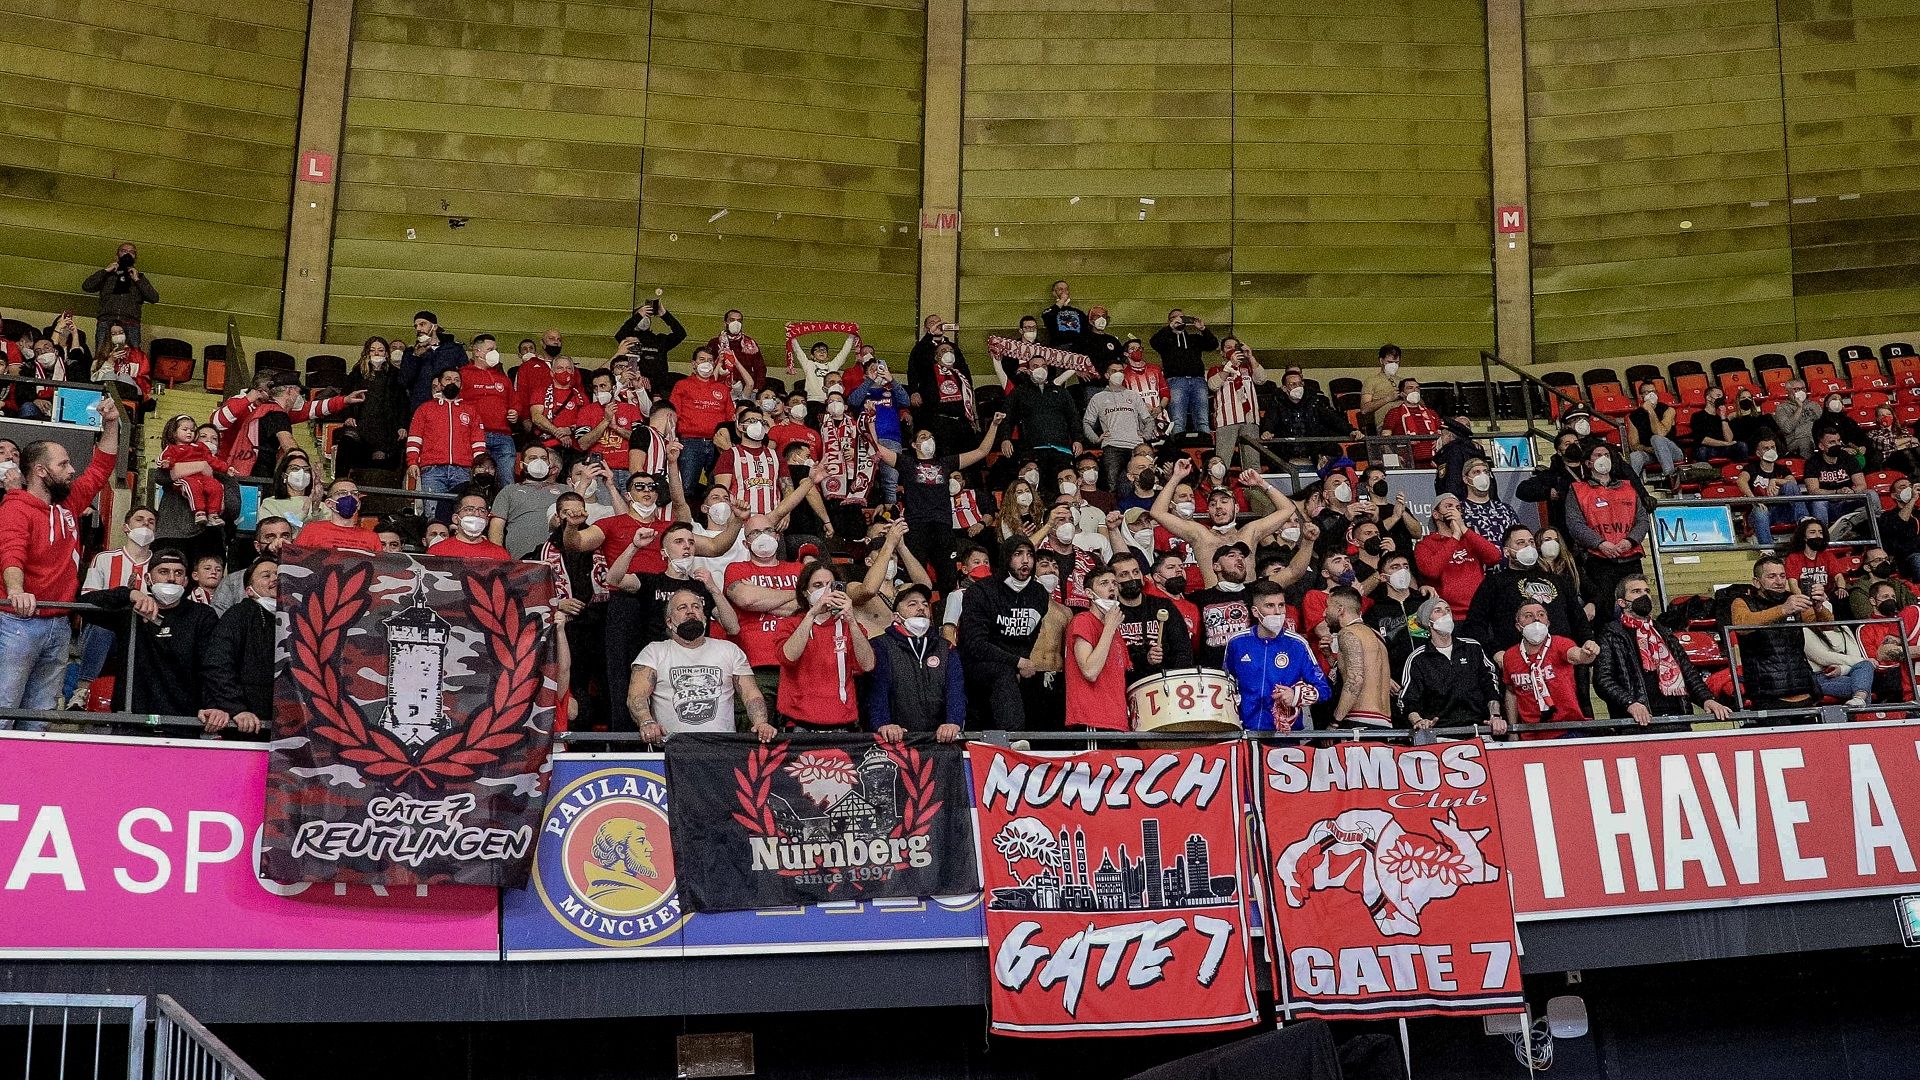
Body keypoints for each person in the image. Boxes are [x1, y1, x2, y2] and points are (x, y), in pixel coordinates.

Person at [0, 395, 121, 729]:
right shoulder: (16, 507)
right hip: (17, 622)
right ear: (41, 471)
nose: (72, 470)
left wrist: (111, 423)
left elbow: (101, 467)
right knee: (4, 709)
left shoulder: (69, 502)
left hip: (59, 623)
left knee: (40, 717)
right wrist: (16, 590)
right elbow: (11, 552)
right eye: (63, 464)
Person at [79, 550, 218, 718]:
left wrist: (212, 705)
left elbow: (211, 666)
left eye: (178, 573)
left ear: (186, 581)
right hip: (132, 719)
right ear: (147, 579)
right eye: (163, 572)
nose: (171, 578)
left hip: (183, 720)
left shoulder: (203, 615)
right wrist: (129, 594)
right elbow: (83, 604)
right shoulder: (130, 612)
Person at [876, 416, 1003, 593]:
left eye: (931, 437)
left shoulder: (946, 463)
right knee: (916, 580)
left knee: (948, 579)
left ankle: (946, 610)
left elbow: (982, 451)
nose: (929, 439)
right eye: (923, 437)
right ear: (914, 445)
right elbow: (878, 449)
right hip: (916, 527)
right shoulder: (907, 463)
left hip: (943, 527)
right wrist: (869, 422)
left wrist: (994, 425)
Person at [630, 586, 767, 741]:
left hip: (721, 747)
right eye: (682, 607)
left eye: (696, 607)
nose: (690, 611)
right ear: (669, 622)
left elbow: (750, 694)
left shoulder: (729, 650)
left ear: (704, 617)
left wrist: (760, 723)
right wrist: (647, 722)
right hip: (673, 748)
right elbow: (637, 697)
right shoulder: (654, 652)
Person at [958, 536, 1050, 731]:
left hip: (1015, 664)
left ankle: (1044, 744)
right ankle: (1014, 737)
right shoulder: (980, 591)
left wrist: (1020, 664)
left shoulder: (1039, 594)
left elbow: (1030, 636)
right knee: (1003, 672)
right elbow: (975, 644)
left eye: (1030, 555)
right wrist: (1016, 662)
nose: (1025, 560)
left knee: (1044, 680)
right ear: (1006, 558)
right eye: (1018, 554)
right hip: (976, 664)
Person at [776, 562, 875, 730]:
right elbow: (788, 658)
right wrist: (812, 613)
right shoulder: (790, 624)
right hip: (799, 723)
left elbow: (868, 665)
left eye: (830, 585)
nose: (825, 591)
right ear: (805, 592)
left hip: (842, 722)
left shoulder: (850, 626)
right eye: (818, 585)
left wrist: (851, 620)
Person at [1465, 525, 1592, 654]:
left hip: (1561, 657)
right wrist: (1495, 652)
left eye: (1531, 542)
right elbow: (1474, 624)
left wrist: (1588, 641)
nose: (1528, 547)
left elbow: (1578, 618)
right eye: (1521, 543)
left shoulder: (1556, 580)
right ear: (1507, 551)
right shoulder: (1495, 582)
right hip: (1517, 659)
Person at [1223, 581, 1331, 731]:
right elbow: (1226, 685)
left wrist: (1296, 695)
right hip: (1245, 731)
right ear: (1255, 612)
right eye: (1270, 606)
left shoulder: (1298, 644)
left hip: (1285, 734)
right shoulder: (1237, 642)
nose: (1278, 612)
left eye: (1281, 605)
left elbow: (1324, 690)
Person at [867, 583, 965, 743]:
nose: (921, 608)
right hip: (896, 740)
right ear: (896, 616)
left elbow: (955, 690)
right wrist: (883, 724)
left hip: (939, 740)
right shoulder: (881, 646)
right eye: (912, 604)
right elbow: (878, 691)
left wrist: (954, 722)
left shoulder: (946, 648)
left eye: (925, 604)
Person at [1566, 442, 1647, 624]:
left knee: (1637, 608)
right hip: (1598, 560)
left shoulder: (1628, 487)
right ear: (1588, 463)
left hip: (1630, 558)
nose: (1603, 458)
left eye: (1607, 455)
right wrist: (1601, 544)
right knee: (1604, 612)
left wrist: (1630, 541)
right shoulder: (1577, 490)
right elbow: (1575, 524)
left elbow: (1642, 519)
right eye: (1598, 455)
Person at [1730, 556, 1822, 712]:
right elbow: (1742, 625)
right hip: (1767, 694)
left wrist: (1819, 607)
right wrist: (1783, 610)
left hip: (1803, 689)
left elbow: (1825, 626)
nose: (1779, 581)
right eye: (1772, 576)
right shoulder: (1743, 602)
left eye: (1782, 576)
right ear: (1756, 582)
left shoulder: (1792, 599)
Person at [200, 555, 278, 739]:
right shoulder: (238, 615)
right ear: (249, 590)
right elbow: (217, 664)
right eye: (266, 576)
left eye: (278, 574)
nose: (275, 579)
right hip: (247, 724)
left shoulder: (298, 618)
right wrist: (237, 708)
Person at [1399, 597, 1504, 733]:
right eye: (1438, 610)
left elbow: (1490, 684)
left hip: (1478, 729)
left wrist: (1495, 716)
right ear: (1427, 621)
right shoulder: (1418, 658)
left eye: (1448, 610)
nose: (1445, 614)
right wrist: (1418, 721)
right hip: (1439, 734)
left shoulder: (1473, 647)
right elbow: (1408, 698)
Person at [1501, 602, 1598, 737]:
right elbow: (1511, 692)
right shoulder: (1510, 656)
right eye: (1528, 616)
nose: (1536, 619)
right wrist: (1513, 731)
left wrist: (1588, 652)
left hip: (1566, 729)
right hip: (1531, 734)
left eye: (1541, 614)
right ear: (1518, 626)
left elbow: (1578, 656)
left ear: (1548, 623)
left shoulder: (1560, 643)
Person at [406, 367, 486, 523]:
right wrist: (412, 462)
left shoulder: (471, 411)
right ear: (439, 384)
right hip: (432, 470)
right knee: (433, 515)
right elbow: (415, 438)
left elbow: (478, 441)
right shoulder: (425, 409)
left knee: (462, 515)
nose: (452, 383)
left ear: (461, 385)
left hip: (462, 471)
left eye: (456, 380)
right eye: (448, 379)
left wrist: (478, 465)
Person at [1414, 494, 1501, 622]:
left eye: (1458, 508)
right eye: (1449, 506)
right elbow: (1431, 571)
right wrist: (1455, 538)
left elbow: (1495, 557)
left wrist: (1463, 529)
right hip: (1449, 616)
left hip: (1482, 612)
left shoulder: (1469, 539)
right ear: (1436, 514)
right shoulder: (1425, 544)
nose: (1455, 511)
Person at [1066, 565, 1129, 731]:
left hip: (1118, 720)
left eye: (1114, 583)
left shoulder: (1114, 629)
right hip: (1092, 719)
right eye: (1104, 583)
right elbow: (1090, 671)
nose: (1112, 587)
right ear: (1088, 593)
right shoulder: (1083, 621)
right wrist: (1109, 628)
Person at [1112, 550, 1192, 677]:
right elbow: (1113, 660)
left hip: (1165, 680)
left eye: (1136, 572)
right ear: (1114, 582)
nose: (1132, 578)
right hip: (1127, 683)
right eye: (1124, 574)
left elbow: (1183, 650)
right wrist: (1145, 660)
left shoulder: (1164, 606)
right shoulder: (1111, 613)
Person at [1324, 586, 1392, 729]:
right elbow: (1368, 672)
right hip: (1385, 722)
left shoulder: (1348, 633)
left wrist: (1335, 722)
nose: (1324, 613)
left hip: (1359, 720)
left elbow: (1355, 680)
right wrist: (1330, 657)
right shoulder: (1377, 636)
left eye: (1327, 607)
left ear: (1340, 610)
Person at [1003, 359, 1080, 482]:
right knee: (1036, 486)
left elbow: (1073, 417)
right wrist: (1005, 438)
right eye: (1035, 366)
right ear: (1029, 370)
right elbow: (1008, 417)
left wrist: (1077, 439)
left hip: (1061, 449)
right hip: (1033, 450)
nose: (1040, 369)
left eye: (1044, 366)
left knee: (1062, 485)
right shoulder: (1019, 392)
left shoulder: (1061, 392)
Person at [1083, 368, 1157, 493]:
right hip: (1112, 447)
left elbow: (1148, 419)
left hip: (1135, 447)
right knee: (1113, 485)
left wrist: (1146, 436)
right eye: (1114, 371)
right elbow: (1087, 422)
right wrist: (1095, 439)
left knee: (1141, 483)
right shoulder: (1098, 397)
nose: (1118, 374)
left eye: (1121, 371)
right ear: (1107, 375)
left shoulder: (1133, 395)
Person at [489, 445, 569, 559]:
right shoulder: (509, 491)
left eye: (544, 458)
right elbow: (496, 527)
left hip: (559, 560)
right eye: (533, 458)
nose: (539, 462)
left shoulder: (565, 490)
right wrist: (498, 559)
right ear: (522, 465)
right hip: (521, 562)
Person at [1148, 308, 1216, 435]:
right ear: (1169, 321)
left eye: (1181, 317)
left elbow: (1213, 344)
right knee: (1177, 420)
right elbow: (1153, 342)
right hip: (1175, 381)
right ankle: (1178, 445)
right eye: (1174, 317)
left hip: (1198, 380)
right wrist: (1170, 328)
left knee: (1202, 420)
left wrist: (1203, 329)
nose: (1179, 320)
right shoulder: (1165, 340)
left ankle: (1205, 444)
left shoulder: (1194, 338)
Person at [156, 413, 229, 527]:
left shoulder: (202, 451)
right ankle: (199, 512)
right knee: (193, 485)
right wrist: (201, 466)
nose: (209, 441)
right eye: (203, 436)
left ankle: (213, 515)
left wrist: (226, 468)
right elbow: (161, 476)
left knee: (216, 486)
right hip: (176, 528)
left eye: (214, 438)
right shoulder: (171, 449)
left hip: (210, 533)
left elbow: (233, 507)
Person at [461, 335, 518, 480]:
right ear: (477, 351)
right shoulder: (463, 375)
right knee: (474, 478)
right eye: (490, 349)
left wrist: (515, 412)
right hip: (475, 434)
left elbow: (515, 402)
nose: (495, 353)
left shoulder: (503, 379)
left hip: (503, 436)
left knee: (506, 479)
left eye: (496, 350)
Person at [81, 242, 158, 348]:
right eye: (124, 251)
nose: (128, 254)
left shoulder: (139, 277)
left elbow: (154, 298)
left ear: (135, 258)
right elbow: (87, 286)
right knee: (102, 354)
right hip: (106, 322)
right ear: (117, 255)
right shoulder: (107, 275)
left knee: (132, 356)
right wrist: (105, 271)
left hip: (131, 324)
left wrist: (137, 280)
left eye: (132, 252)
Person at [1207, 338, 1266, 472]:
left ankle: (1254, 486)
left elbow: (1261, 379)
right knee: (1222, 462)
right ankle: (1221, 485)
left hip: (1250, 420)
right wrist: (1229, 366)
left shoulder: (1248, 368)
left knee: (1253, 463)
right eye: (1228, 347)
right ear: (1222, 353)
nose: (1233, 350)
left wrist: (1250, 357)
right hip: (1226, 421)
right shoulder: (1216, 369)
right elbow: (1213, 385)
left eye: (1235, 347)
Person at [1739, 436, 1808, 546]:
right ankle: (1767, 548)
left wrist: (1774, 480)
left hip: (1782, 511)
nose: (1770, 450)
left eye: (1773, 447)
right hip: (1761, 513)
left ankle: (1803, 519)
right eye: (1766, 448)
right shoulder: (1751, 468)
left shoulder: (1782, 469)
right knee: (1760, 511)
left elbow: (1793, 483)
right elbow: (1741, 481)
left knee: (1790, 485)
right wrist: (1754, 500)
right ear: (1758, 453)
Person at [398, 311, 467, 410]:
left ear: (434, 327)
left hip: (449, 404)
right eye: (416, 326)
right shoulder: (410, 353)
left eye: (422, 324)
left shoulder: (454, 349)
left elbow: (464, 376)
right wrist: (415, 356)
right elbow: (403, 381)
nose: (418, 329)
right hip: (420, 405)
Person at [614, 296, 688, 387]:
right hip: (637, 382)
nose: (644, 318)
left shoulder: (660, 340)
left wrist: (664, 314)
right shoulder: (630, 339)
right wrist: (639, 315)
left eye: (647, 316)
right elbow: (619, 335)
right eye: (642, 316)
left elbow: (681, 334)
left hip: (659, 385)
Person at [293, 479, 381, 554]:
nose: (349, 497)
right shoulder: (312, 530)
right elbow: (295, 561)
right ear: (329, 503)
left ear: (359, 504)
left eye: (354, 493)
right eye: (342, 493)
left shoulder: (372, 538)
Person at [1803, 428, 1865, 527]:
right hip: (1828, 504)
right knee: (1819, 503)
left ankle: (1874, 532)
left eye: (1838, 441)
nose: (1837, 445)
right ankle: (1823, 534)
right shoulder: (1812, 462)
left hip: (1848, 500)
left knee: (1872, 494)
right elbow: (1813, 491)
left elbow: (1862, 485)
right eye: (1832, 442)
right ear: (1821, 446)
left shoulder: (1848, 458)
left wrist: (1852, 491)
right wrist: (1836, 492)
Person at [1380, 378, 1443, 467]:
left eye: (1417, 388)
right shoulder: (1394, 413)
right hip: (1408, 462)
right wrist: (1395, 457)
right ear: (1402, 393)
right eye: (1410, 388)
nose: (1415, 390)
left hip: (1435, 460)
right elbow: (1385, 439)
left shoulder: (1431, 413)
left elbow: (1444, 434)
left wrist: (1440, 441)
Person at [1625, 386, 1683, 482]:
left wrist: (1651, 411)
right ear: (1641, 396)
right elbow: (1634, 445)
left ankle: (1670, 477)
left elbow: (1660, 433)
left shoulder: (1668, 410)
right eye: (1647, 392)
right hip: (1651, 453)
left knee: (1656, 439)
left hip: (1672, 452)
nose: (1651, 394)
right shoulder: (1634, 416)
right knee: (1635, 456)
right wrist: (1647, 449)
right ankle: (1631, 485)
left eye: (1653, 391)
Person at [428, 494, 510, 560]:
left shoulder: (500, 555)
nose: (476, 514)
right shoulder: (437, 551)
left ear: (487, 521)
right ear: (455, 518)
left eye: (482, 510)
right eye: (469, 509)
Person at [1457, 457, 1518, 546]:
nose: (1482, 476)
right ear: (1466, 479)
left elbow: (1518, 536)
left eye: (1485, 472)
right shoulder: (1460, 510)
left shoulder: (1505, 509)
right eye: (1476, 472)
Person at [706, 308, 766, 392]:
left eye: (739, 321)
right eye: (732, 320)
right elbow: (708, 364)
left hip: (745, 389)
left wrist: (758, 387)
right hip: (719, 387)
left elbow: (760, 367)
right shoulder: (715, 343)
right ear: (725, 323)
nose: (736, 323)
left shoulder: (750, 344)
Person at [1356, 344, 1402, 431]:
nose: (1394, 365)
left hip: (1408, 418)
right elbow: (1364, 409)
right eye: (1390, 362)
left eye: (1396, 362)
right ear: (1381, 361)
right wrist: (1388, 398)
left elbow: (1422, 404)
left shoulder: (1403, 381)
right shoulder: (1371, 381)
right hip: (1387, 424)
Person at [1688, 389, 1743, 462]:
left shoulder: (1721, 418)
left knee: (1741, 445)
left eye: (1722, 397)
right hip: (1707, 449)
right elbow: (1702, 439)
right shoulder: (1697, 416)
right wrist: (1725, 444)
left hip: (1722, 449)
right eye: (1718, 396)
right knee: (1702, 451)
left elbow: (1729, 439)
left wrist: (1723, 417)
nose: (1720, 399)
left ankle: (1740, 467)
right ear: (1708, 398)